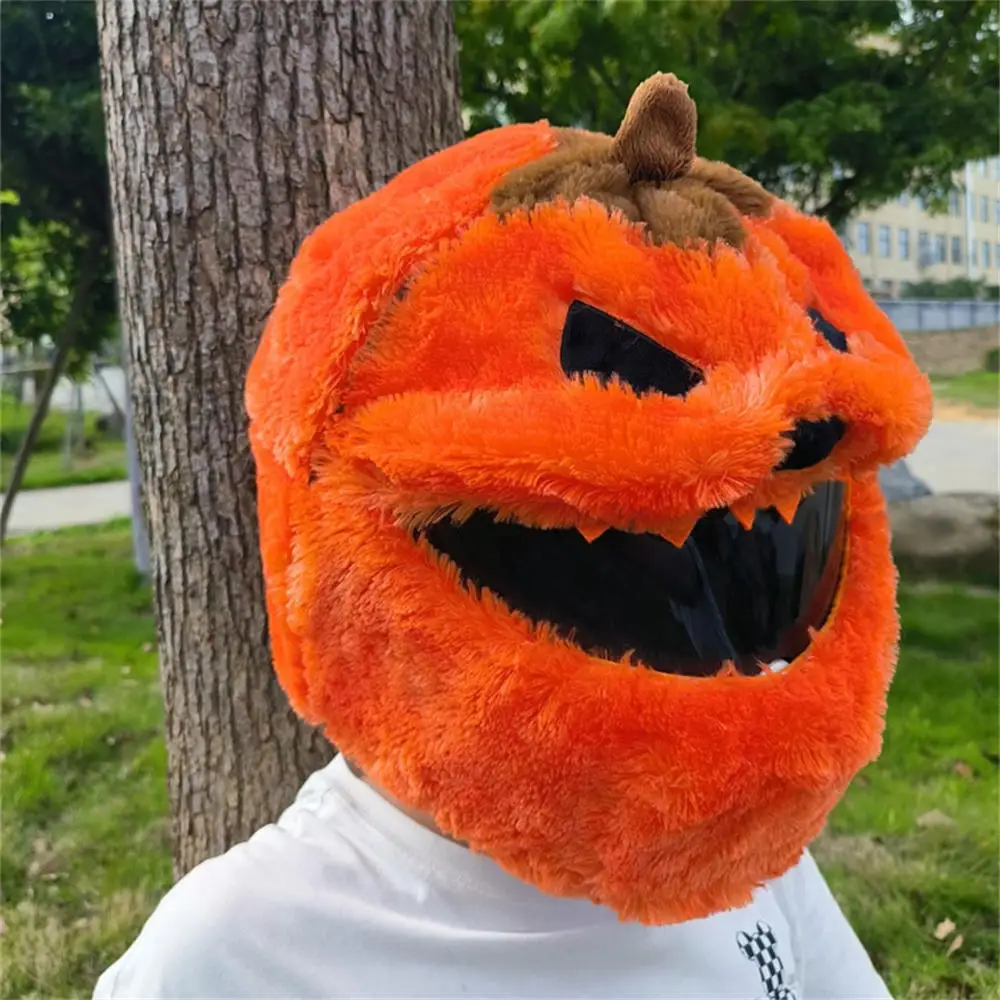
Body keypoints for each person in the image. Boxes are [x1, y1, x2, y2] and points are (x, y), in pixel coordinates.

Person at [95, 73, 932, 999]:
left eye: (775, 562)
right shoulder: (240, 951)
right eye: (632, 578)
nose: (735, 659)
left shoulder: (755, 876)